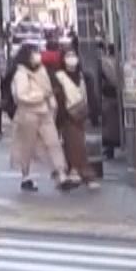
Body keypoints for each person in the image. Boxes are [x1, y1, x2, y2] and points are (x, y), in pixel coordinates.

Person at [9, 45, 71, 192]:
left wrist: (52, 105)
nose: (37, 56)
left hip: (45, 112)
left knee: (53, 142)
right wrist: (41, 96)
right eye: (34, 53)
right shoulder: (21, 74)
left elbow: (49, 90)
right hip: (27, 114)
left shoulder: (42, 70)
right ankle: (26, 176)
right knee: (26, 146)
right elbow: (21, 95)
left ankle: (61, 174)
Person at [51, 49, 93, 190]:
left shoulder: (82, 76)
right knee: (73, 143)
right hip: (67, 115)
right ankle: (76, 171)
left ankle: (74, 170)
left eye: (73, 55)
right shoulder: (59, 76)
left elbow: (88, 94)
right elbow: (58, 97)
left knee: (77, 142)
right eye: (68, 56)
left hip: (80, 113)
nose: (72, 58)